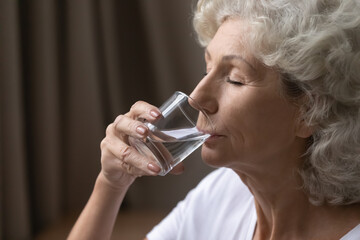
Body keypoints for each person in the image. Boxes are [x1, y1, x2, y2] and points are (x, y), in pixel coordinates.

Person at [68, 0, 360, 239]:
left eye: (234, 79)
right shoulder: (222, 197)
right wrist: (111, 184)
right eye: (207, 69)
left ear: (309, 112)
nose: (196, 97)